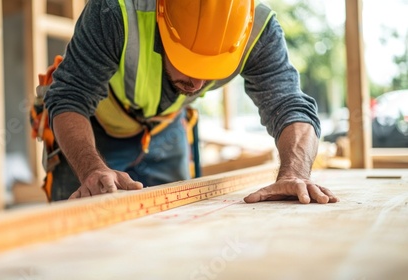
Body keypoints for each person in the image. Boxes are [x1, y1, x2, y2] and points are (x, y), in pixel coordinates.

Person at [43, 0, 339, 204]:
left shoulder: (257, 28)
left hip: (166, 126)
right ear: (162, 22)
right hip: (92, 131)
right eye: (189, 61)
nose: (198, 84)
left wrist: (294, 173)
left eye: (214, 67)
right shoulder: (115, 11)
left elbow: (290, 105)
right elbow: (71, 96)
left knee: (177, 226)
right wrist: (91, 169)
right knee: (81, 236)